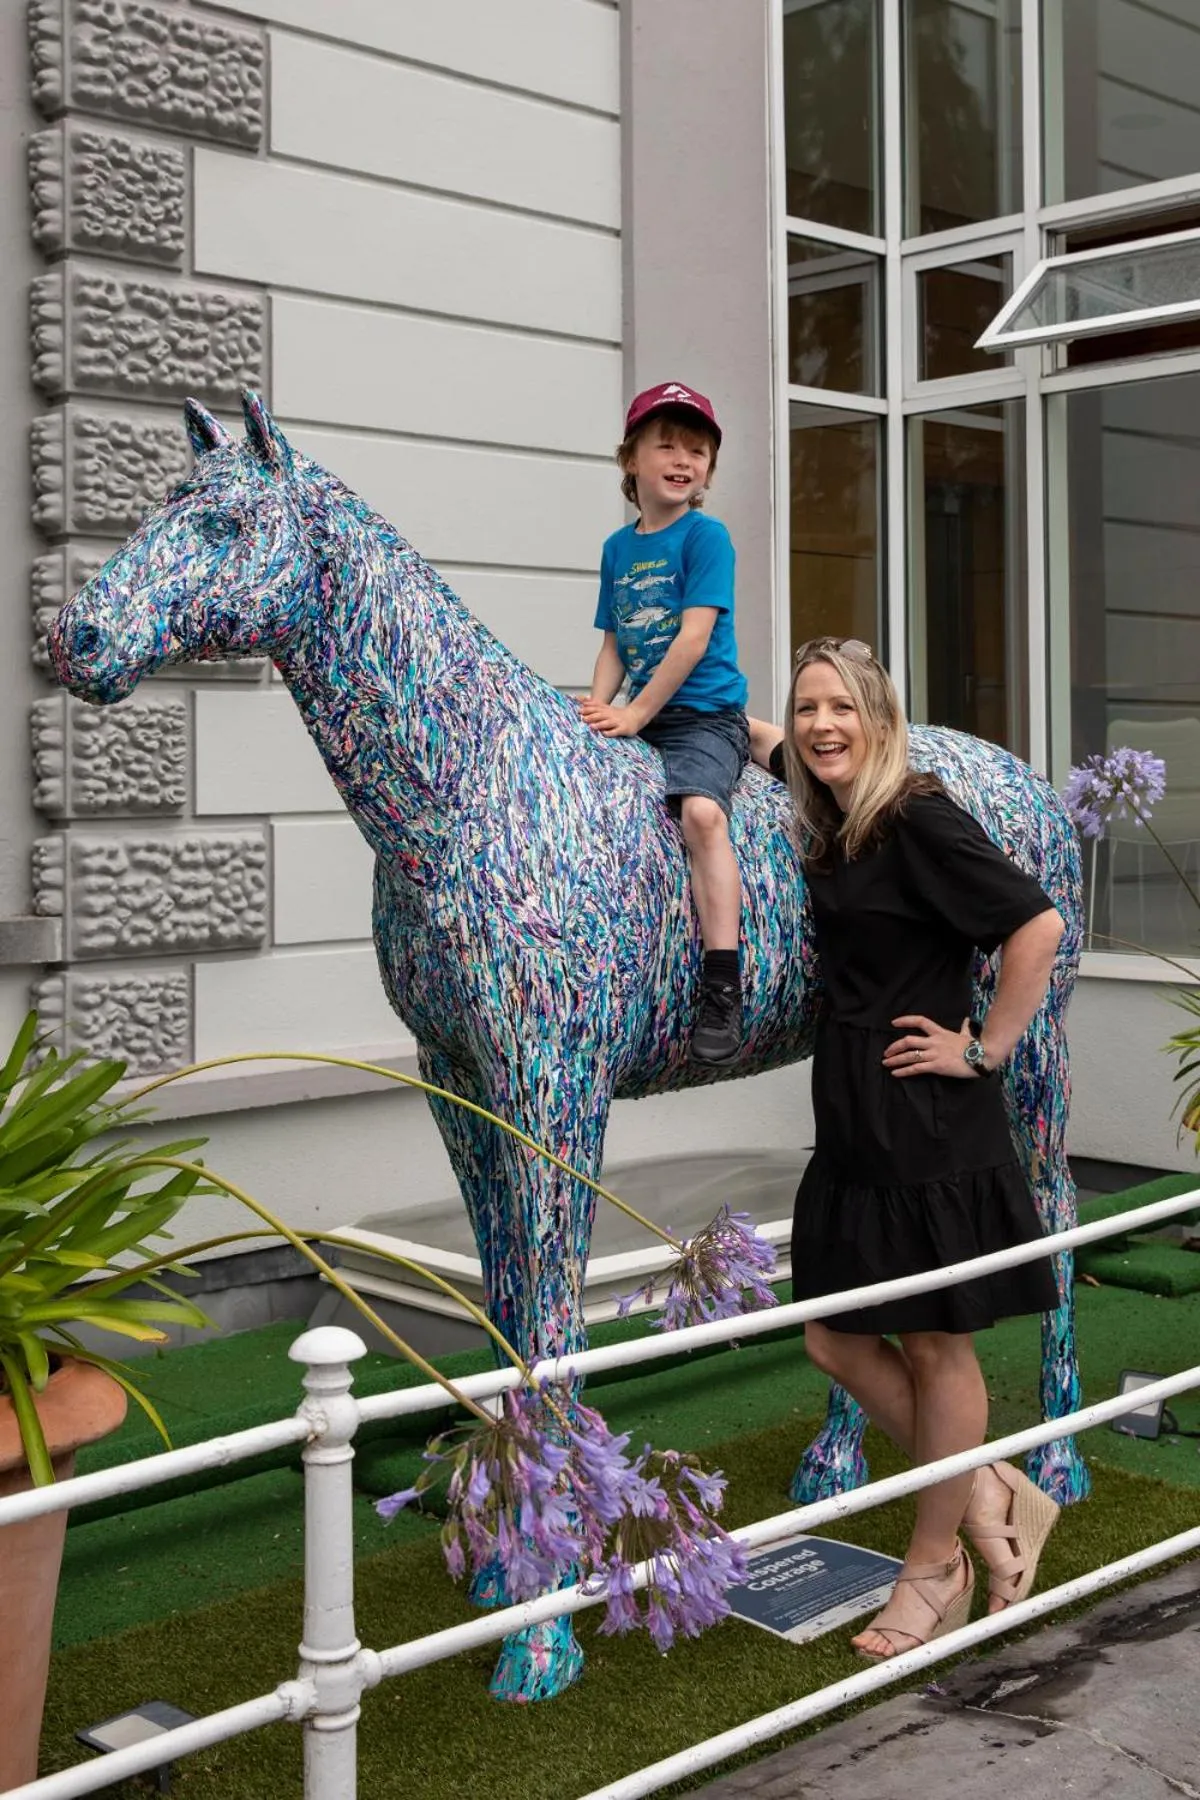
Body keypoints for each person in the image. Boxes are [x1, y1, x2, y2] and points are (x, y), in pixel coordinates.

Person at [748, 637, 1064, 1661]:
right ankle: (986, 1491)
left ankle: (937, 1567)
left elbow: (1038, 926)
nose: (821, 725)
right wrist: (696, 712)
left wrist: (989, 1048)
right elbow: (767, 747)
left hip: (929, 1118)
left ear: (881, 719)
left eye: (841, 707)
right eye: (806, 710)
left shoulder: (917, 814)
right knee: (832, 1337)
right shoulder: (838, 816)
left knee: (935, 1345)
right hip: (851, 1121)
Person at [580, 382, 749, 1065]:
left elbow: (692, 638)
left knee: (702, 815)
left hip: (702, 717)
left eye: (699, 450)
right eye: (668, 445)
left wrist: (635, 712)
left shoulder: (707, 537)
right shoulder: (618, 550)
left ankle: (722, 982)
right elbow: (614, 644)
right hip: (640, 718)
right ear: (631, 459)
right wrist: (597, 711)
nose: (684, 459)